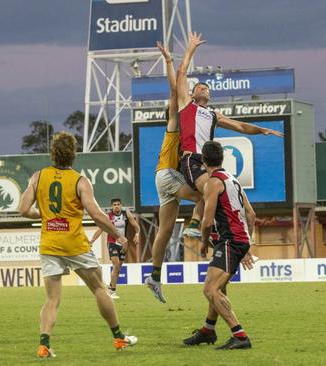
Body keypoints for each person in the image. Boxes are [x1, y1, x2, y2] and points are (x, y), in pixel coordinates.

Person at [18, 132, 137, 358]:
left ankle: (44, 344)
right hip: (75, 244)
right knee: (100, 289)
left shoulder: (38, 177)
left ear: (53, 152)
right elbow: (97, 214)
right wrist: (118, 234)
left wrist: (42, 214)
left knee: (52, 299)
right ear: (74, 154)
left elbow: (23, 209)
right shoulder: (80, 181)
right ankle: (119, 338)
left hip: (50, 244)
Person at [176, 32, 283, 237]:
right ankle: (198, 225)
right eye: (199, 87)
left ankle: (201, 226)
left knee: (222, 190)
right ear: (192, 93)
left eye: (206, 88)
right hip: (192, 160)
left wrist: (261, 130)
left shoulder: (214, 115)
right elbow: (181, 73)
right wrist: (191, 48)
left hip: (208, 162)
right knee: (210, 190)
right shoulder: (186, 105)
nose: (203, 88)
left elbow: (241, 127)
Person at [144, 41, 203, 303]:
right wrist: (169, 60)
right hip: (168, 175)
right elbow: (173, 88)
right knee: (204, 194)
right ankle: (193, 228)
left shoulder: (193, 122)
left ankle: (154, 277)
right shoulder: (176, 120)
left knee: (165, 231)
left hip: (163, 177)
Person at [183, 141, 256, 350]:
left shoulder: (213, 183)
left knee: (210, 289)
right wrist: (247, 243)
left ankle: (239, 335)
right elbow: (251, 214)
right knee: (219, 287)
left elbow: (206, 221)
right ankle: (208, 330)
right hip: (237, 240)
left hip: (228, 241)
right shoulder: (233, 180)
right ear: (222, 158)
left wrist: (204, 241)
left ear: (203, 161)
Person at [90, 198, 140, 299]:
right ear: (111, 206)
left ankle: (111, 287)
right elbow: (100, 229)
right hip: (112, 243)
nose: (116, 206)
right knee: (116, 264)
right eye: (114, 205)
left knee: (118, 268)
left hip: (123, 244)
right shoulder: (108, 216)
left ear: (121, 205)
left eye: (118, 204)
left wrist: (137, 234)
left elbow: (136, 226)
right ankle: (112, 291)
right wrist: (92, 241)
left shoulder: (126, 214)